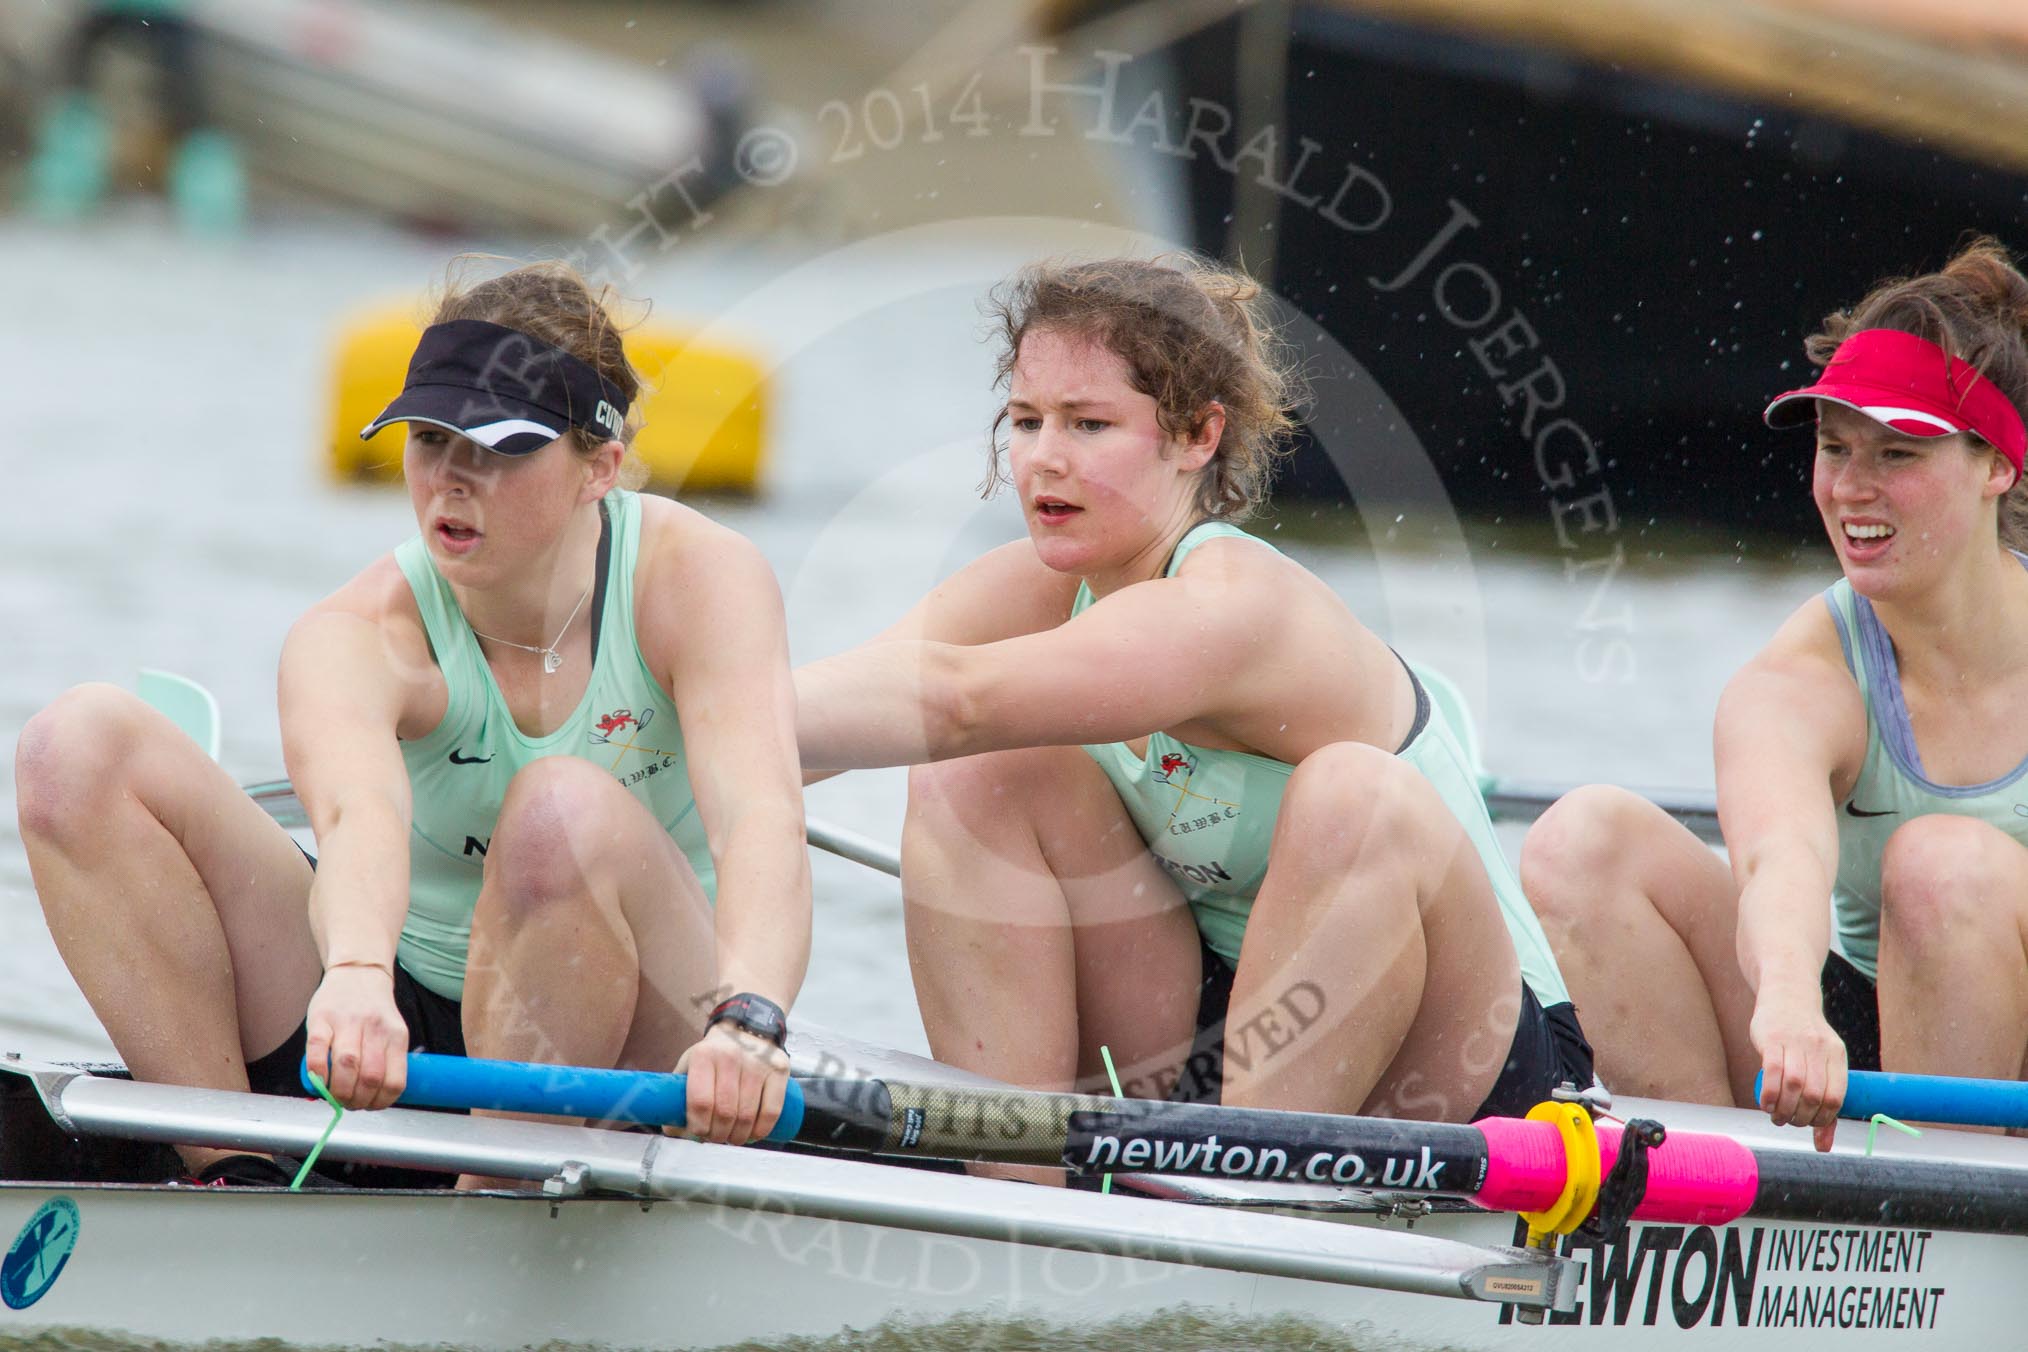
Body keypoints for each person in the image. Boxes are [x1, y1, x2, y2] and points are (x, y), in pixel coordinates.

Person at [15, 259, 808, 1183]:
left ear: (601, 465)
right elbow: (360, 817)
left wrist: (750, 1021)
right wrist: (354, 977)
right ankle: (231, 1171)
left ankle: (487, 1205)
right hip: (393, 1009)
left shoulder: (698, 582)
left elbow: (761, 817)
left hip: (643, 1030)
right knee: (73, 747)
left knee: (558, 811)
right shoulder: (358, 634)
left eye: (498, 447)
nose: (451, 480)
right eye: (429, 438)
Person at [795, 255, 1589, 1152]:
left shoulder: (1233, 604)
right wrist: (633, 758)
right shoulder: (1034, 585)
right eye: (1025, 421)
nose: (1043, 458)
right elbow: (823, 723)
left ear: (1197, 436)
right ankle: (1017, 1192)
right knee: (975, 777)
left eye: (1090, 424)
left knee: (1351, 795)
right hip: (1215, 1013)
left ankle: (1241, 1207)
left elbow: (954, 700)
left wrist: (716, 719)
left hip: (1474, 1056)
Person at [1522, 238, 2028, 1150]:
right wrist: (1792, 1006)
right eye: (1836, 449)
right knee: (1580, 842)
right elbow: (1778, 860)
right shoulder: (1806, 668)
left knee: (1942, 864)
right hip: (1847, 1026)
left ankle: (1936, 1215)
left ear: (1998, 465)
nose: (1852, 488)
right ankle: (1712, 1210)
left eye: (1899, 452)